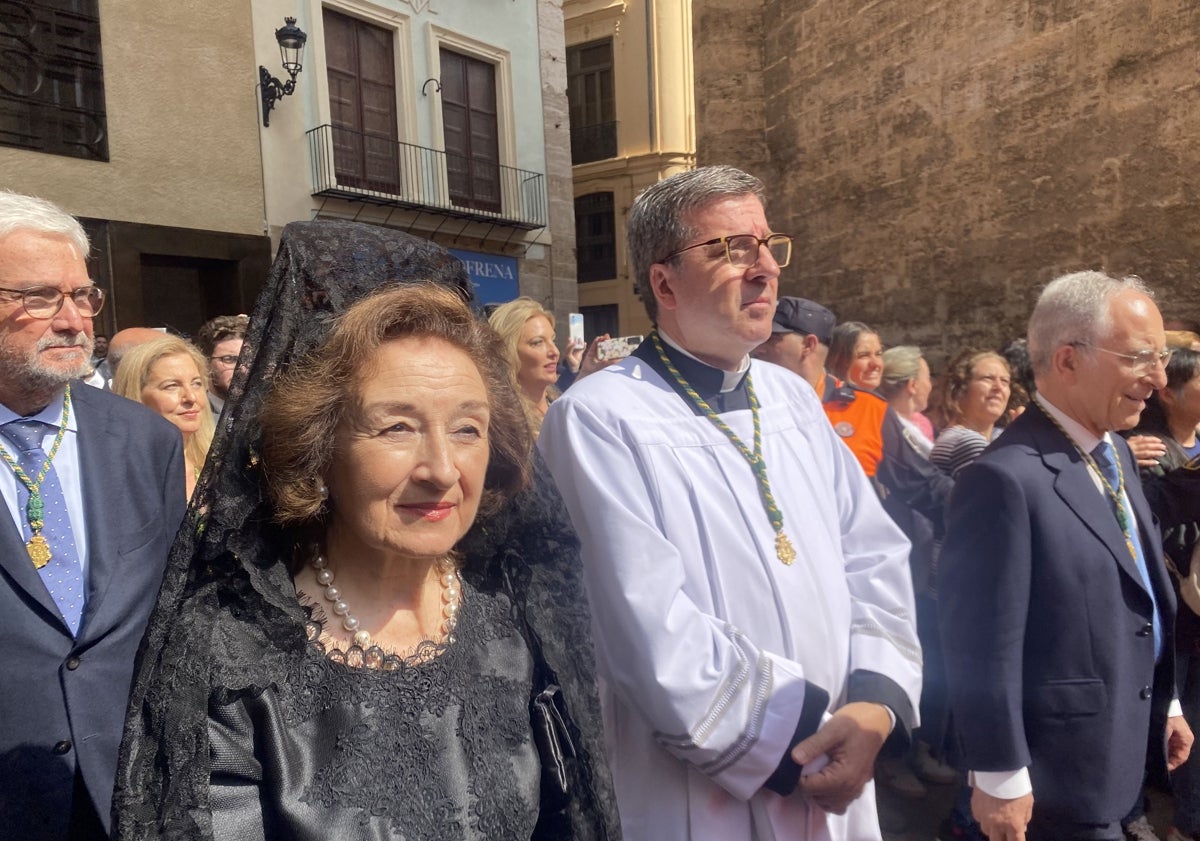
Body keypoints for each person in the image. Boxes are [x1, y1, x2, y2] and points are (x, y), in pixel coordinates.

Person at [114, 220, 618, 840]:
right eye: (397, 428)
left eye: (467, 429)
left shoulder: (512, 612)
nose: (442, 470)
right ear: (318, 447)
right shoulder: (230, 650)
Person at [539, 165, 922, 841]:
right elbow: (644, 628)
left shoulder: (794, 399)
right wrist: (807, 738)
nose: (766, 267)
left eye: (769, 245)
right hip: (705, 790)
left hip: (842, 763)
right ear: (664, 282)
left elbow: (875, 554)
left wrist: (875, 704)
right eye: (733, 248)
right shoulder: (599, 417)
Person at [939, 270, 1193, 841]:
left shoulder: (1116, 455)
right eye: (1139, 358)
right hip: (1053, 781)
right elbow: (981, 643)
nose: (1157, 378)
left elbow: (1136, 589)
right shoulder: (1003, 479)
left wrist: (1166, 701)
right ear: (1068, 360)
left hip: (1120, 755)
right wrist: (999, 773)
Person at [0, 191, 186, 839]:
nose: (75, 320)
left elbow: (174, 614)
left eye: (83, 296)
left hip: (128, 788)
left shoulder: (146, 440)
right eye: (41, 296)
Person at [1130, 349, 1200, 841]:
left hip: (1197, 610)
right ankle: (1134, 808)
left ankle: (1186, 818)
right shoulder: (1145, 452)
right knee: (1153, 709)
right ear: (1170, 393)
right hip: (1167, 609)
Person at [112, 336, 215, 499]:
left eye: (196, 383)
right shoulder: (120, 479)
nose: (191, 397)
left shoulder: (220, 465)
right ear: (137, 396)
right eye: (171, 386)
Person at [930, 350, 1012, 479]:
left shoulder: (997, 436)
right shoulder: (965, 442)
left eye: (1005, 381)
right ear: (960, 390)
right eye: (988, 378)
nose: (999, 387)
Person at [194, 314, 248, 418]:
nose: (243, 369)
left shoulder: (267, 412)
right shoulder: (194, 415)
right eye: (230, 359)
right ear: (205, 363)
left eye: (249, 360)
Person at [829, 321, 884, 392]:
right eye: (864, 355)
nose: (876, 364)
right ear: (839, 359)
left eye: (878, 354)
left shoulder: (884, 401)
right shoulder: (821, 401)